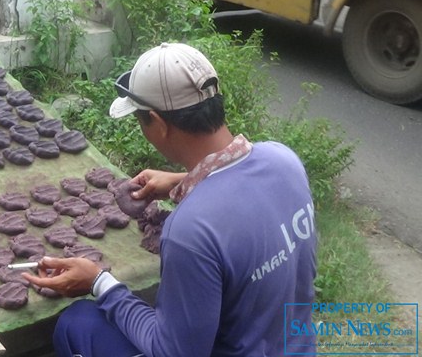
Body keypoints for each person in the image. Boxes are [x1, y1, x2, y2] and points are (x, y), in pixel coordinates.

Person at [23, 43, 317, 356]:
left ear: (159, 124)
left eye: (140, 121)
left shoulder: (190, 232)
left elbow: (173, 353)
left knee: (77, 322)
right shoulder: (285, 161)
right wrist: (183, 182)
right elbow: (243, 192)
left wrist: (99, 282)